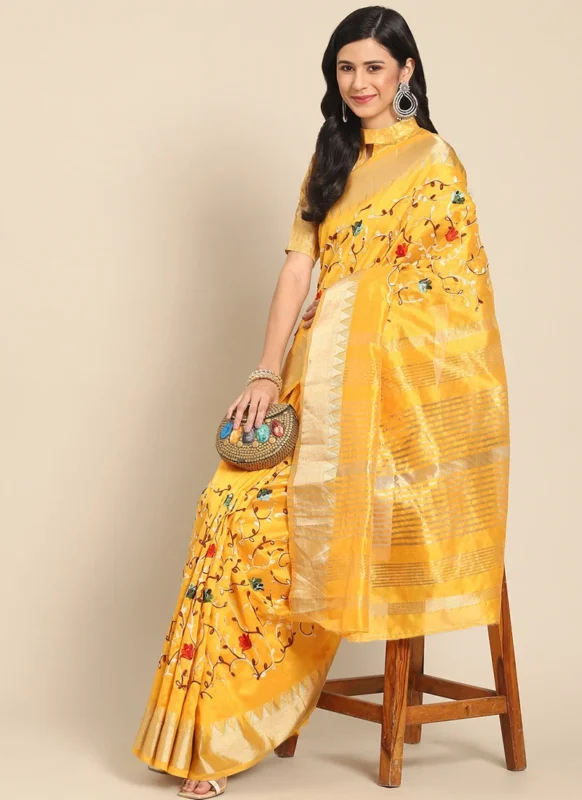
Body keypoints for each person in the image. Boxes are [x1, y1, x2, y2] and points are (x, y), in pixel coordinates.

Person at [132, 6, 510, 798]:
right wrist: (266, 373)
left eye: (374, 67)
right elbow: (297, 271)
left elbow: (458, 302)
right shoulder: (329, 159)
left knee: (278, 527)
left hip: (391, 416)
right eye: (346, 68)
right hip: (317, 389)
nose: (359, 82)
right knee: (226, 509)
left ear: (406, 72)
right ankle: (208, 729)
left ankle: (220, 746)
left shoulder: (434, 163)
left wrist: (357, 313)